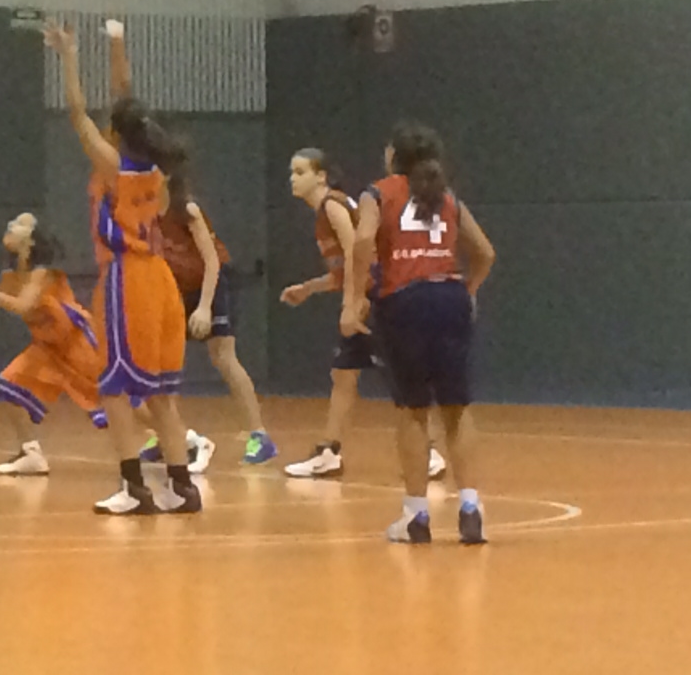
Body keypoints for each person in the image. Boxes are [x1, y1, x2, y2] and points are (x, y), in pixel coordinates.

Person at [44, 19, 197, 516]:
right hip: (161, 283)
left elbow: (77, 113)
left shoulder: (114, 167)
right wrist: (116, 42)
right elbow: (125, 97)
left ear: (118, 132)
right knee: (162, 397)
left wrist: (68, 56)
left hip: (128, 277)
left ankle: (134, 489)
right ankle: (181, 488)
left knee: (113, 389)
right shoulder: (158, 168)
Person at [342, 124, 495, 544]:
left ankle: (416, 515)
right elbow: (484, 252)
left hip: (404, 301)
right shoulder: (446, 197)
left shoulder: (379, 193)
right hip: (450, 297)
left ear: (394, 156)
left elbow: (361, 242)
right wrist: (468, 290)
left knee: (412, 410)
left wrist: (355, 298)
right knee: (457, 407)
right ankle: (470, 506)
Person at [281, 148, 448, 479]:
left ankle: (429, 452)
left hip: (376, 298)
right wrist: (307, 288)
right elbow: (341, 271)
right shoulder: (327, 211)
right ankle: (329, 451)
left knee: (398, 379)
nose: (292, 179)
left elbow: (357, 254)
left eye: (300, 172)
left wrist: (352, 304)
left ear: (321, 176)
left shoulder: (333, 205)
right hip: (365, 294)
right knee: (343, 374)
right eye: (291, 172)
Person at [0, 212, 107, 475]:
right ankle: (31, 453)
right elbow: (0, 297)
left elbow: (22, 305)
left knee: (116, 400)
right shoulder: (13, 273)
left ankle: (182, 441)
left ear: (31, 240)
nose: (10, 224)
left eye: (20, 223)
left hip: (77, 344)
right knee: (8, 385)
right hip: (46, 347)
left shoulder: (43, 271)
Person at [154, 165, 277, 466]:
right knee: (160, 361)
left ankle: (260, 436)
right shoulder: (145, 213)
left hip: (212, 283)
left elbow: (211, 261)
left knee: (223, 356)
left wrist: (205, 306)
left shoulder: (188, 210)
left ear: (166, 175)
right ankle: (166, 434)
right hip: (176, 288)